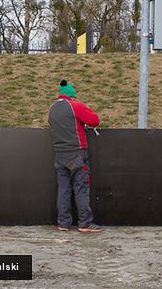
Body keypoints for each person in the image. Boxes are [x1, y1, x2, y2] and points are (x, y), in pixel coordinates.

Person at [48, 79, 103, 233]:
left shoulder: (52, 109)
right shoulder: (75, 106)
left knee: (64, 189)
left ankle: (63, 224)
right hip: (77, 154)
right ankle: (84, 223)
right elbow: (94, 121)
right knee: (81, 188)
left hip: (59, 155)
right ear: (71, 95)